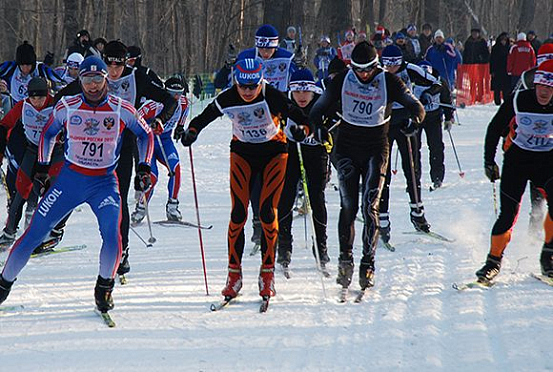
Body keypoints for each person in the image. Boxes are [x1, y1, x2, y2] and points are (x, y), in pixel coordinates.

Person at [0, 56, 154, 313]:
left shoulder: (121, 108)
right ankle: (3, 285)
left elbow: (145, 134)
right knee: (33, 234)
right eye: (86, 79)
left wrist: (144, 167)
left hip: (104, 183)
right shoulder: (67, 106)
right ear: (80, 80)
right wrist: (41, 165)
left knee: (113, 238)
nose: (92, 86)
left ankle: (104, 289)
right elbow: (48, 132)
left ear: (106, 79)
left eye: (97, 79)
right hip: (70, 180)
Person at [180, 58, 310, 301]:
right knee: (238, 213)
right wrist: (192, 131)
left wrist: (303, 131)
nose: (248, 92)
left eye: (253, 87)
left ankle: (267, 275)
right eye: (243, 87)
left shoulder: (273, 96)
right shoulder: (229, 97)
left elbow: (303, 118)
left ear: (261, 82)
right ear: (236, 84)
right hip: (242, 153)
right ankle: (234, 275)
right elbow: (204, 117)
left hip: (274, 153)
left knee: (267, 213)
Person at [309, 41, 425, 292]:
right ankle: (345, 260)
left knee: (370, 205)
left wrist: (415, 120)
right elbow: (317, 109)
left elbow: (416, 106)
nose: (362, 75)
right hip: (347, 149)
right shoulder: (342, 79)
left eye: (367, 70)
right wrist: (318, 127)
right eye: (358, 70)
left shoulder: (389, 81)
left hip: (376, 149)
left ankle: (368, 263)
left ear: (376, 66)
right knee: (349, 206)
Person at [55, 40, 177, 278]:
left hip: (124, 141)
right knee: (75, 186)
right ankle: (54, 229)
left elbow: (169, 100)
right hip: (93, 142)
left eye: (118, 66)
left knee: (118, 197)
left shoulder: (138, 77)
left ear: (126, 63)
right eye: (108, 65)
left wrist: (161, 120)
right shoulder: (94, 76)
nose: (112, 71)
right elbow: (61, 97)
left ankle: (123, 251)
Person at [477, 60, 553, 283]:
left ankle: (548, 258)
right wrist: (488, 162)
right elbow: (494, 128)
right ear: (534, 85)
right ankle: (492, 262)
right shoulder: (519, 99)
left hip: (546, 162)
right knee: (508, 214)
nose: (544, 93)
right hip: (517, 161)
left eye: (549, 88)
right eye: (541, 87)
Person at [379, 45, 440, 244]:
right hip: (385, 124)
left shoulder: (410, 69)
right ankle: (382, 218)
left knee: (411, 170)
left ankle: (417, 213)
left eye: (395, 64)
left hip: (407, 123)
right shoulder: (378, 73)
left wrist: (426, 95)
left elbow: (437, 82)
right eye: (387, 64)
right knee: (382, 172)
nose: (391, 68)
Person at [0, 78, 64, 249]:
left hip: (55, 153)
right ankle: (9, 233)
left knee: (52, 193)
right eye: (33, 98)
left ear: (47, 95)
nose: (36, 102)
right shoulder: (23, 106)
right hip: (33, 150)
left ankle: (49, 234)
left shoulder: (56, 105)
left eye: (40, 98)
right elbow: (4, 124)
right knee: (20, 191)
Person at [277, 68, 329, 273]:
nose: (301, 97)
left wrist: (323, 134)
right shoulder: (283, 101)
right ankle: (284, 248)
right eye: (297, 92)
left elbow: (331, 126)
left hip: (315, 154)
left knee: (317, 198)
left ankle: (321, 249)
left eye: (305, 92)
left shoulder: (322, 102)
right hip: (289, 152)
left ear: (312, 90)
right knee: (285, 199)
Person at [0, 41, 64, 206]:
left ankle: (34, 203)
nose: (26, 69)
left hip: (41, 123)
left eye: (29, 65)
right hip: (19, 121)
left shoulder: (42, 69)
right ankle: (13, 200)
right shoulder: (9, 69)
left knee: (39, 165)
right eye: (23, 65)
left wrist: (54, 90)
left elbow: (63, 83)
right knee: (16, 163)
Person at [131, 77, 189, 223]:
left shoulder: (183, 103)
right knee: (152, 177)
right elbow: (134, 119)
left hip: (165, 140)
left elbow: (182, 119)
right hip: (148, 141)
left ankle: (172, 206)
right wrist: (147, 125)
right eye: (172, 93)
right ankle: (141, 208)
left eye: (179, 93)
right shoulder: (153, 105)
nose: (176, 97)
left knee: (175, 169)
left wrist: (180, 129)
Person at [414, 61, 455, 190]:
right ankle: (414, 179)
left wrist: (449, 118)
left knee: (436, 147)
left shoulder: (439, 82)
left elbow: (446, 100)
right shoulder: (413, 82)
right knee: (413, 148)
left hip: (434, 118)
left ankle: (437, 177)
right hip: (416, 119)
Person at [490, 32, 511, 105]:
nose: (503, 41)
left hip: (506, 70)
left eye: (505, 40)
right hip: (497, 70)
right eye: (502, 40)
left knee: (506, 87)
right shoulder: (495, 48)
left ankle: (506, 100)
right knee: (497, 87)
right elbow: (492, 59)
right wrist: (491, 71)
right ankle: (497, 101)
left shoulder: (509, 48)